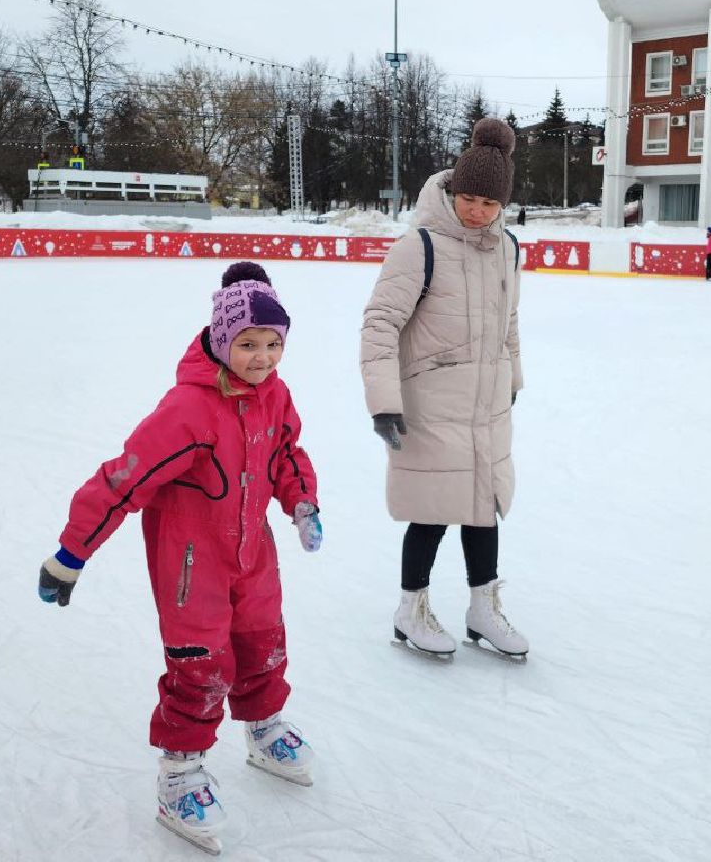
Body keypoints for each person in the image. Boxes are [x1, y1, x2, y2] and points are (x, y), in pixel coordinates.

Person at [36, 261, 323, 854]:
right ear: (222, 341)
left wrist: (302, 503)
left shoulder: (275, 396)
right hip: (192, 566)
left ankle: (264, 727)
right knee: (200, 666)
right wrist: (72, 553)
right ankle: (179, 773)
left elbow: (287, 454)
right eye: (248, 344)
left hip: (254, 555)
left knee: (263, 642)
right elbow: (124, 479)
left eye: (274, 344)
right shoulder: (188, 410)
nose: (263, 357)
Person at [360, 116, 528, 661]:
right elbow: (380, 325)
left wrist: (513, 379)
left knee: (484, 508)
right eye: (469, 197)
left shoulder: (508, 250)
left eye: (490, 202)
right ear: (453, 190)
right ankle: (412, 608)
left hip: (486, 405)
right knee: (431, 510)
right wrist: (384, 402)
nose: (478, 211)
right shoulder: (419, 247)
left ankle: (483, 607)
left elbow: (510, 323)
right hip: (430, 405)